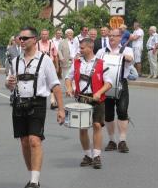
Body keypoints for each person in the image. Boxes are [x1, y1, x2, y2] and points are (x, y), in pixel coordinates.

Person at [5, 27, 65, 188]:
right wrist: (9, 85)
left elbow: (55, 85)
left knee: (34, 140)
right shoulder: (16, 61)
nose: (21, 41)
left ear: (35, 39)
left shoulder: (45, 60)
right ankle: (33, 177)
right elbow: (9, 84)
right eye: (20, 38)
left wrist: (61, 109)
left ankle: (34, 180)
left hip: (37, 103)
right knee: (24, 141)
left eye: (25, 38)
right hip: (18, 104)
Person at [65, 38, 112, 169]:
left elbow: (109, 83)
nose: (79, 50)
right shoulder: (76, 63)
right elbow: (68, 78)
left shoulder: (102, 63)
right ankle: (88, 155)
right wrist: (69, 88)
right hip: (82, 99)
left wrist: (99, 92)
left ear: (90, 48)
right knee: (83, 128)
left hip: (97, 99)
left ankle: (97, 156)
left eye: (82, 48)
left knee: (97, 126)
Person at [96, 28, 134, 153]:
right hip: (105, 85)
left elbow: (131, 59)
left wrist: (122, 56)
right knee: (108, 114)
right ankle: (112, 140)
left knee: (122, 111)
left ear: (120, 37)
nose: (111, 38)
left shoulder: (126, 49)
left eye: (114, 35)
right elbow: (95, 65)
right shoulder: (102, 51)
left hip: (121, 83)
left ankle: (122, 140)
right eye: (110, 36)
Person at [37, 29, 59, 109]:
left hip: (50, 66)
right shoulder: (37, 44)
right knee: (40, 83)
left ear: (48, 35)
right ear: (40, 35)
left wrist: (57, 67)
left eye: (46, 34)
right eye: (43, 34)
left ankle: (53, 101)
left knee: (52, 83)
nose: (44, 36)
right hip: (40, 67)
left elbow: (55, 56)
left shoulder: (51, 44)